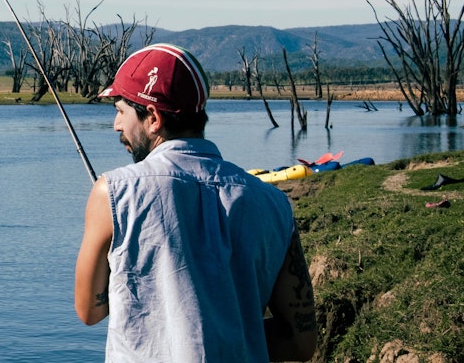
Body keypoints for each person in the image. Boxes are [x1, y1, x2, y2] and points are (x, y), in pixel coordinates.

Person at [74, 44, 317, 361]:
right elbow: (300, 342)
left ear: (153, 118)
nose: (117, 125)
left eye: (120, 111)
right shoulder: (273, 202)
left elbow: (89, 311)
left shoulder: (113, 192)